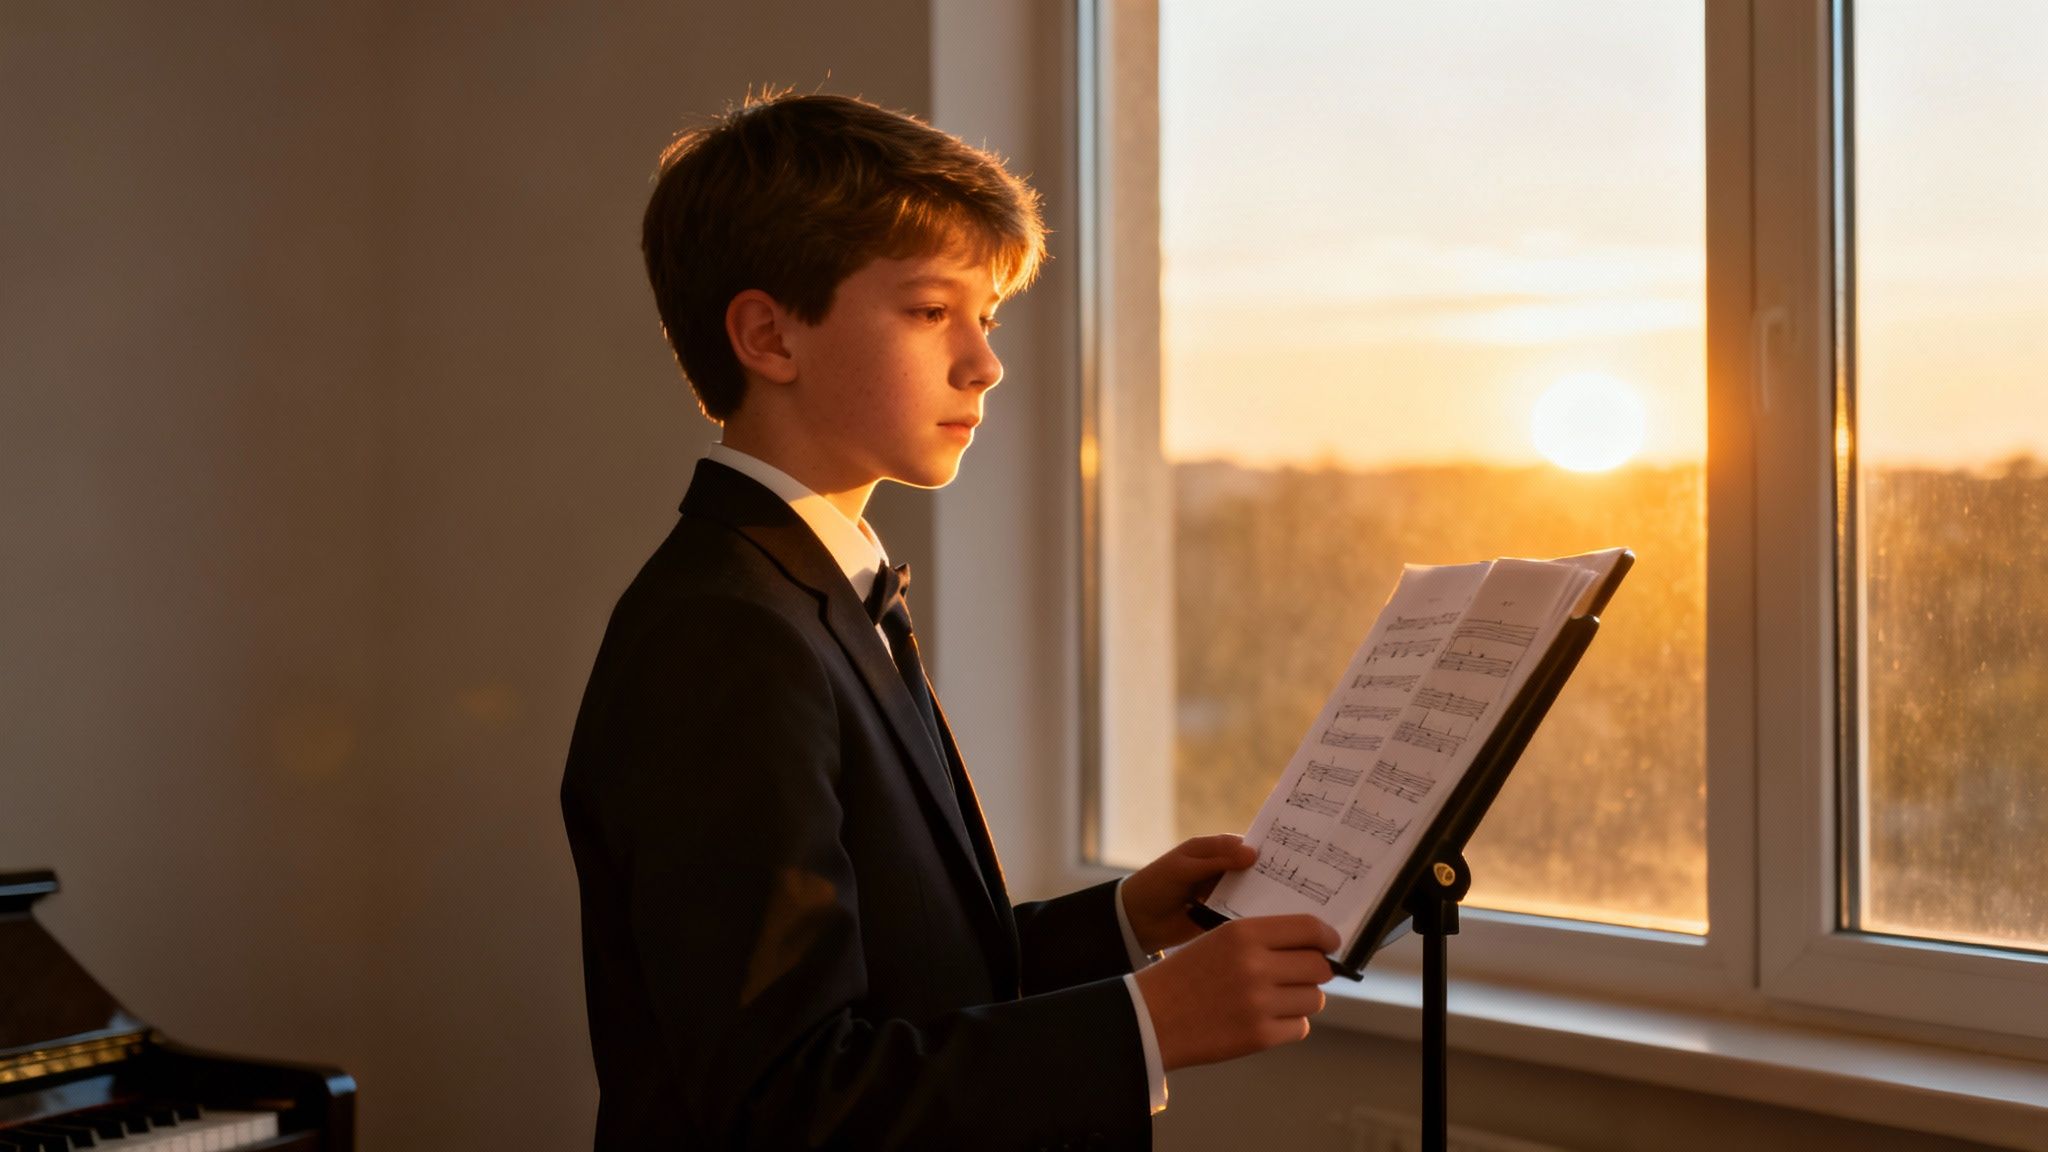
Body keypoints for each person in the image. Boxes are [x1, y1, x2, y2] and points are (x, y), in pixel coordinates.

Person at [561, 90, 1338, 1150]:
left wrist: (1116, 927)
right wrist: (1143, 1023)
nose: (984, 361)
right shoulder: (724, 634)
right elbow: (782, 1102)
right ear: (766, 334)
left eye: (988, 316)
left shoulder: (811, 590)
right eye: (931, 311)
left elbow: (902, 972)